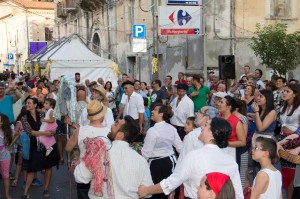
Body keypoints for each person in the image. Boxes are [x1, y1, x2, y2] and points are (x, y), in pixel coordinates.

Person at [138, 118, 243, 199]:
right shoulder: (230, 161)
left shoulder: (195, 156)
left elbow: (171, 183)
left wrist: (146, 190)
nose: (201, 127)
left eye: (205, 125)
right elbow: (238, 195)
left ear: (212, 133)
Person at [74, 115, 154, 198]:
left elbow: (81, 177)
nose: (111, 125)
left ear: (120, 135)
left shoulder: (98, 152)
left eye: (116, 124)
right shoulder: (141, 161)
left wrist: (81, 160)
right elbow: (148, 192)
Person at [70, 100, 111, 199]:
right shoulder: (108, 131)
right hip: (102, 174)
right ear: (101, 116)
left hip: (84, 173)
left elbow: (68, 147)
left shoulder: (80, 130)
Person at [20, 97, 59, 198]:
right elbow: (30, 132)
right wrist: (45, 133)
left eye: (29, 103)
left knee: (48, 166)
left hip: (48, 143)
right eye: (26, 103)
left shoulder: (42, 114)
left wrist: (53, 132)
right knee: (32, 169)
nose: (27, 105)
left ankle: (46, 189)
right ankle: (25, 193)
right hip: (35, 145)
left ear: (35, 104)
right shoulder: (24, 118)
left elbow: (53, 124)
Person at [141, 104, 182, 199]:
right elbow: (180, 148)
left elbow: (146, 154)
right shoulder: (172, 128)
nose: (152, 111)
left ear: (161, 114)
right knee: (167, 191)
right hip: (171, 163)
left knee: (156, 191)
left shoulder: (152, 131)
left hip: (157, 165)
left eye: (155, 110)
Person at [279, 84, 300, 198]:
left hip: (293, 141)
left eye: (287, 91)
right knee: (282, 173)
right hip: (283, 139)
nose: (284, 93)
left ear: (295, 93)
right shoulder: (284, 106)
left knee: (291, 173)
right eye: (283, 91)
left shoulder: (299, 108)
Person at [0, 114, 13, 199]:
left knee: (5, 176)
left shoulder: (8, 131)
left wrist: (10, 145)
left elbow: (17, 134)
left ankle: (7, 195)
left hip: (5, 156)